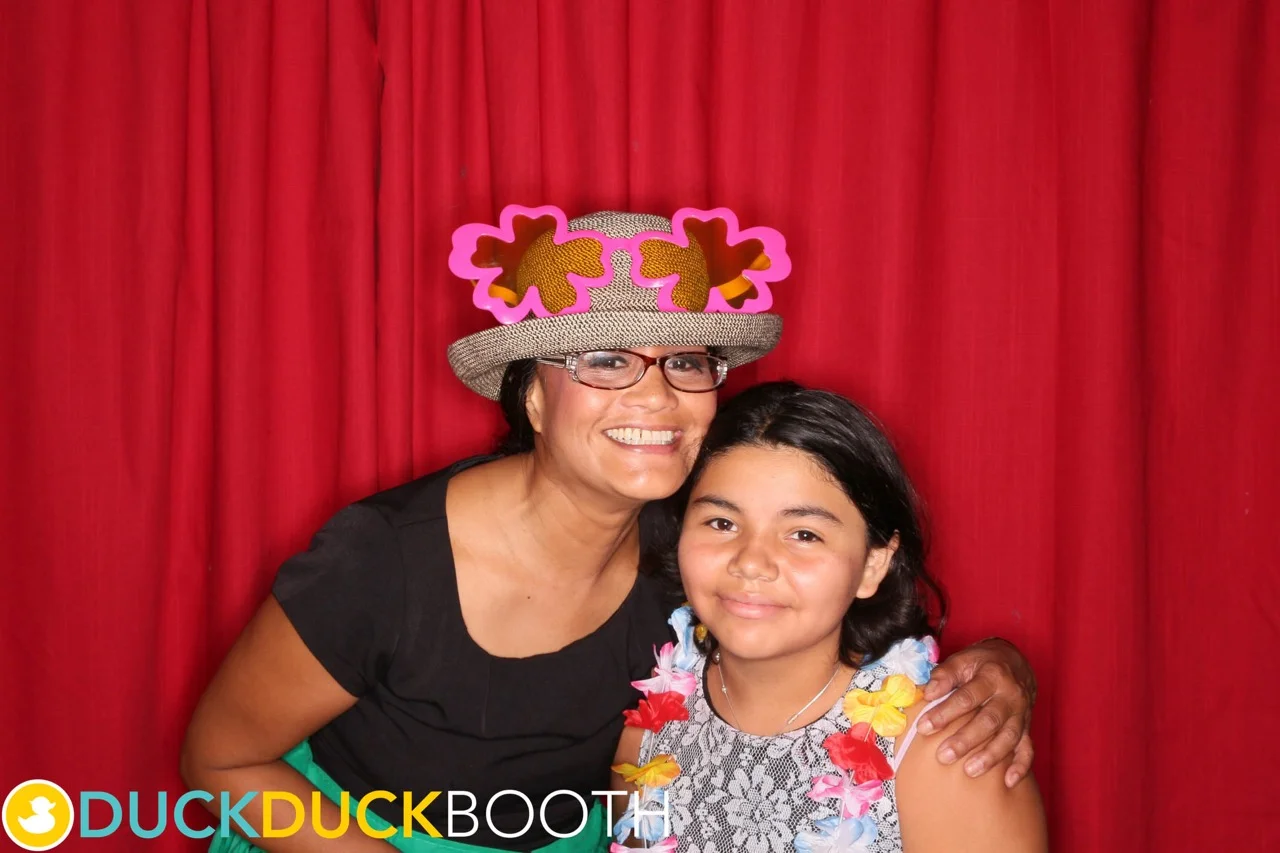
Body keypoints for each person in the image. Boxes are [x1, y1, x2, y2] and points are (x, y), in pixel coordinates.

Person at [181, 206, 1038, 853]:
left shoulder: (700, 544)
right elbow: (220, 760)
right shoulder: (384, 560)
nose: (656, 395)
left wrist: (1003, 669)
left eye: (685, 361)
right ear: (531, 395)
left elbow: (834, 604)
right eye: (605, 359)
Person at [609, 382, 1047, 852]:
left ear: (873, 563)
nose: (751, 563)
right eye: (722, 523)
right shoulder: (647, 734)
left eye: (803, 534)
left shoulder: (950, 753)